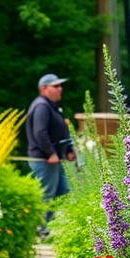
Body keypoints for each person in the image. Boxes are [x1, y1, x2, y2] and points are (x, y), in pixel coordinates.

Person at [26, 73, 76, 227]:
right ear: (44, 88)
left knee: (63, 193)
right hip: (44, 161)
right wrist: (51, 153)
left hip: (55, 160)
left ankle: (51, 227)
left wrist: (68, 149)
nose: (60, 89)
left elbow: (60, 131)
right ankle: (41, 229)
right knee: (46, 196)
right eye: (56, 86)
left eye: (60, 86)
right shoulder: (41, 106)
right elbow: (40, 132)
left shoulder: (52, 107)